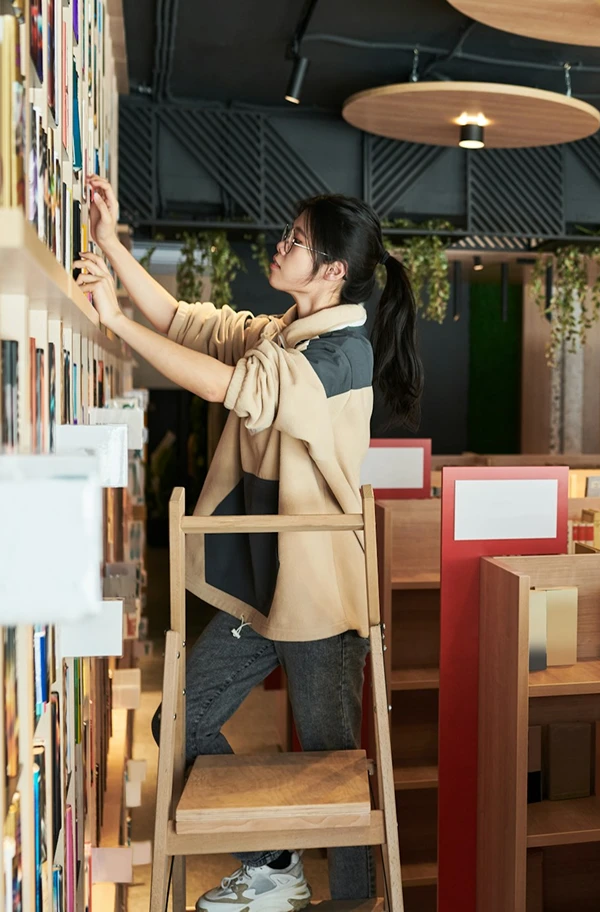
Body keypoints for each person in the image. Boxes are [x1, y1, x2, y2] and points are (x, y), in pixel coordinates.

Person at [76, 176, 423, 912]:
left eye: (297, 239)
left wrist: (113, 320)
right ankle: (275, 867)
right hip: (265, 589)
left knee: (338, 770)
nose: (281, 243)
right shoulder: (285, 333)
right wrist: (109, 245)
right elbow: (182, 319)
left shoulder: (338, 359)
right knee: (182, 718)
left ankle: (356, 904)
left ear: (332, 271)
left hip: (321, 598)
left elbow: (228, 389)